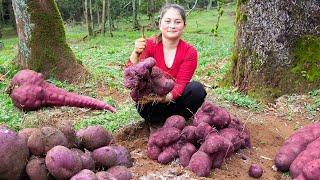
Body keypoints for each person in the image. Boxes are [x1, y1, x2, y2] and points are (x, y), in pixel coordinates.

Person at [127, 3, 207, 124]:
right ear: (160, 25)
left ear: (184, 26)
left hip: (176, 102)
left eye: (177, 22)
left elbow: (181, 84)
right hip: (151, 104)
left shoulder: (190, 52)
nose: (172, 26)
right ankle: (156, 123)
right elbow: (131, 74)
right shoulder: (148, 45)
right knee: (141, 92)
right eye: (168, 21)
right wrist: (135, 53)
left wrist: (165, 98)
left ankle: (179, 121)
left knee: (197, 89)